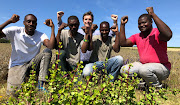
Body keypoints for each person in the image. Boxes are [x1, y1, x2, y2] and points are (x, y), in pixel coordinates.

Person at [0, 14, 55, 95]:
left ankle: (40, 85)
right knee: (13, 94)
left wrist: (52, 28)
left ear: (36, 24)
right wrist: (9, 21)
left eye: (34, 22)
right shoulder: (15, 31)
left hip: (32, 64)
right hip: (17, 65)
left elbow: (50, 46)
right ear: (24, 23)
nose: (31, 24)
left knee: (47, 52)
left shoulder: (40, 35)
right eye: (28, 21)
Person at [119, 7, 172, 87]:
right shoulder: (137, 36)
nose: (141, 25)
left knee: (144, 70)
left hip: (162, 68)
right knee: (124, 70)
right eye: (139, 24)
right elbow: (123, 43)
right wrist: (122, 25)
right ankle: (144, 85)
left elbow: (168, 35)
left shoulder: (157, 33)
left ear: (151, 22)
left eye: (144, 23)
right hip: (144, 66)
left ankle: (157, 88)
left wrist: (153, 15)